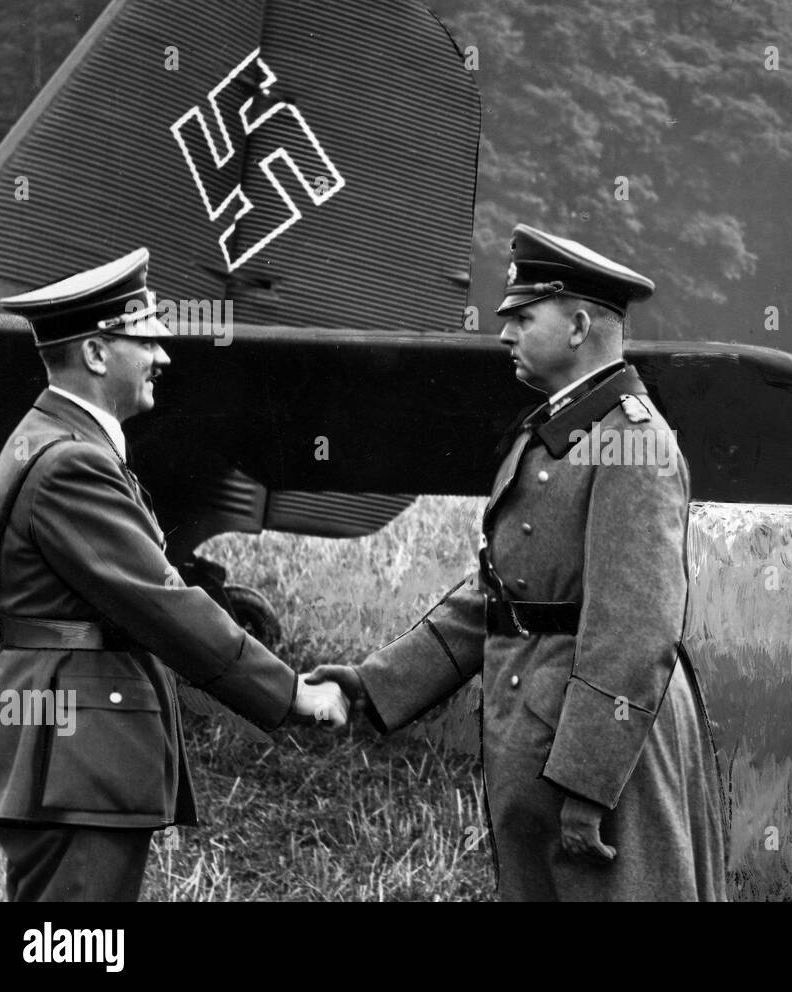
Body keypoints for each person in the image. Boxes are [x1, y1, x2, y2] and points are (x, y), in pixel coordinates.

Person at [310, 224, 726, 901]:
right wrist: (370, 684)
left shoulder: (633, 443)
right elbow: (499, 599)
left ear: (579, 325)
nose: (503, 334)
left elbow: (636, 628)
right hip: (539, 734)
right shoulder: (552, 434)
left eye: (523, 318)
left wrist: (588, 784)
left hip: (606, 755)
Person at [0, 248, 346, 902]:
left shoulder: (50, 438)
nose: (164, 356)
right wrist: (288, 692)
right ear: (95, 354)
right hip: (76, 756)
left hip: (63, 747)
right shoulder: (73, 465)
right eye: (144, 338)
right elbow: (163, 602)